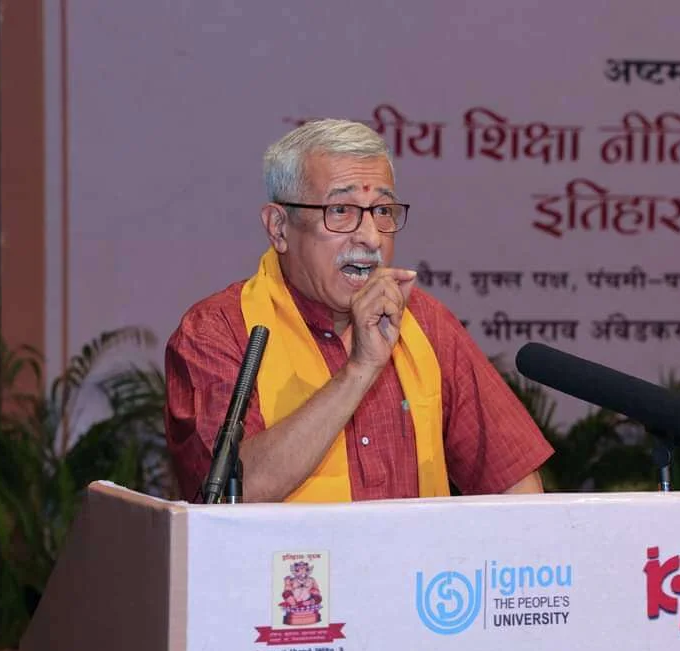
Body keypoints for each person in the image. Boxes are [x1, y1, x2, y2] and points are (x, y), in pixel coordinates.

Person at [164, 118, 553, 502]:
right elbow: (230, 496)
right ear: (279, 227)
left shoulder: (424, 322)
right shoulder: (218, 331)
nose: (370, 238)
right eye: (340, 210)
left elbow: (516, 487)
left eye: (382, 211)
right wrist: (360, 369)